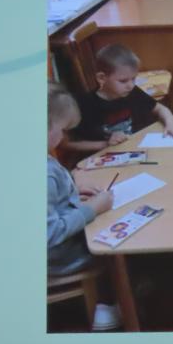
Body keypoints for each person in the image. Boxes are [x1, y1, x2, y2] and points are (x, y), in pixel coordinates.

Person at [46, 82, 120, 331]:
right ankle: (107, 306)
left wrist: (71, 194)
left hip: (52, 250)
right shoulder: (42, 173)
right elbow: (49, 233)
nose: (64, 138)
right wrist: (92, 209)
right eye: (63, 130)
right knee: (117, 245)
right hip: (59, 257)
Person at [66, 44, 173, 154]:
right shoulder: (86, 104)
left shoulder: (132, 92)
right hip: (107, 157)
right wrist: (105, 144)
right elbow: (67, 144)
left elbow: (160, 108)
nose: (131, 85)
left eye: (133, 79)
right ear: (102, 78)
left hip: (136, 149)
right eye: (123, 81)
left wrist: (170, 124)